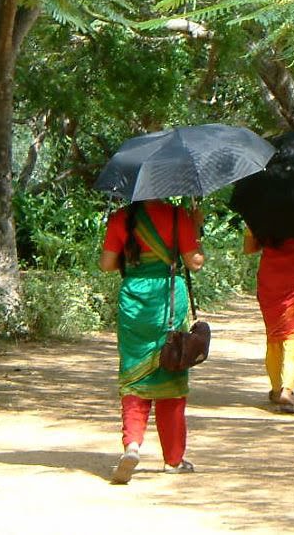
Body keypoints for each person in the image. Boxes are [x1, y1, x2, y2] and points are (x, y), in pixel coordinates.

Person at [99, 199, 205, 484]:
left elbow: (106, 264)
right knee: (171, 369)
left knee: (133, 374)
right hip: (167, 299)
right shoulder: (176, 216)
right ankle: (173, 459)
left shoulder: (120, 217)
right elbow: (194, 263)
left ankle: (132, 444)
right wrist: (195, 227)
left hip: (134, 302)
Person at [244, 227, 294, 413]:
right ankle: (287, 389)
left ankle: (275, 389)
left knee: (274, 334)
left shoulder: (259, 210)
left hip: (270, 274)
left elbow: (249, 247)